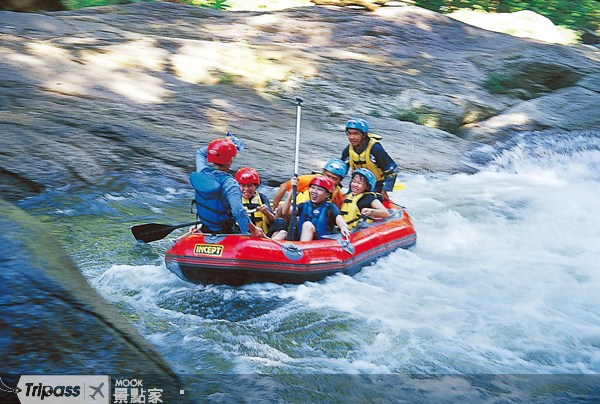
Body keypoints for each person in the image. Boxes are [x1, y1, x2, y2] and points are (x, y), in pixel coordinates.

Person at [189, 136, 264, 237]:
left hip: (206, 228)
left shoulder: (202, 172)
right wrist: (252, 229)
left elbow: (200, 153)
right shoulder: (230, 184)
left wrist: (220, 145)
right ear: (230, 161)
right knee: (245, 232)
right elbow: (238, 211)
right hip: (226, 232)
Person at [272, 175, 350, 242]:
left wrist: (343, 227)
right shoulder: (304, 205)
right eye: (312, 188)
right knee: (282, 233)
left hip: (318, 243)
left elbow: (339, 219)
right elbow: (285, 211)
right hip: (298, 241)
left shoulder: (330, 207)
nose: (314, 192)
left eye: (319, 189)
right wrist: (292, 189)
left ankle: (302, 251)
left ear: (327, 195)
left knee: (307, 225)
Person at [341, 117, 398, 200]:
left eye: (355, 134)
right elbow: (341, 171)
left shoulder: (375, 149)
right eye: (349, 133)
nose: (351, 137)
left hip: (376, 185)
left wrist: (385, 190)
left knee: (367, 203)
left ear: (364, 135)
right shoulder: (348, 151)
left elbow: (392, 169)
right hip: (356, 184)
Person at [270, 158, 348, 211]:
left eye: (334, 179)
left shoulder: (337, 193)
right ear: (323, 174)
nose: (329, 180)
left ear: (339, 181)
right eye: (327, 176)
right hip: (296, 210)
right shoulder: (309, 180)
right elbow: (283, 186)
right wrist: (273, 207)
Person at [235, 167, 286, 237]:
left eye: (250, 186)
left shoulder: (262, 198)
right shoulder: (234, 199)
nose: (246, 189)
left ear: (255, 186)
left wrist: (266, 213)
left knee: (280, 222)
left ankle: (271, 243)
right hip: (243, 235)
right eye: (243, 186)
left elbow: (271, 221)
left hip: (262, 236)